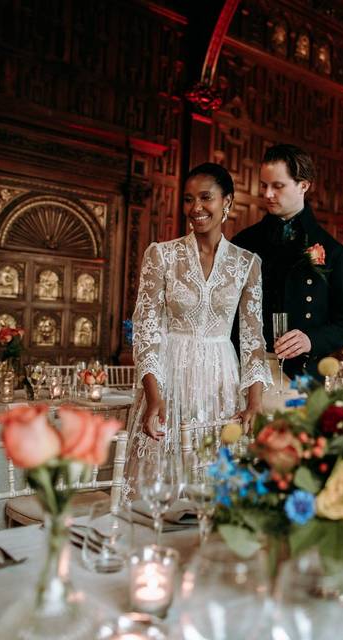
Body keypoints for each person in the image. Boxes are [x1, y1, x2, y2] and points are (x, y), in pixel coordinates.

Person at [126, 163, 271, 472]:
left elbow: (252, 339)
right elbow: (146, 331)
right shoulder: (161, 255)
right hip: (170, 378)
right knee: (164, 484)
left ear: (227, 202)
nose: (196, 208)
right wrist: (154, 397)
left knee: (214, 483)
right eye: (189, 199)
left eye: (206, 197)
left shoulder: (247, 264)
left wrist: (255, 403)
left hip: (221, 381)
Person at [233, 144, 343, 381]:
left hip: (302, 378)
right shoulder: (243, 242)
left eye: (278, 186)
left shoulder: (332, 251)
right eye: (264, 185)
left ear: (304, 185)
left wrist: (310, 339)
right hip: (245, 373)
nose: (267, 194)